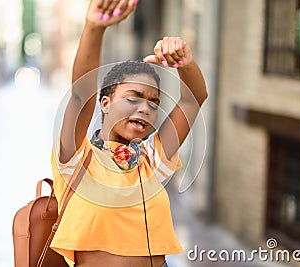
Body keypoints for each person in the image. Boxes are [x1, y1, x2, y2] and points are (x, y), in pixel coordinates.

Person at [50, 0, 207, 266]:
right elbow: (80, 94)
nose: (145, 108)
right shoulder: (77, 159)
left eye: (154, 102)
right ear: (106, 103)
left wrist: (184, 61)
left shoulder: (151, 159)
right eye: (133, 98)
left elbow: (193, 100)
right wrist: (94, 28)